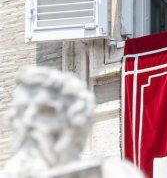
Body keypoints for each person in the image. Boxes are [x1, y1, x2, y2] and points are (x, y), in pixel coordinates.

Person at [0, 66, 144, 178]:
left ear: (75, 122)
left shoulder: (113, 175)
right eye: (21, 110)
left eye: (45, 111)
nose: (28, 120)